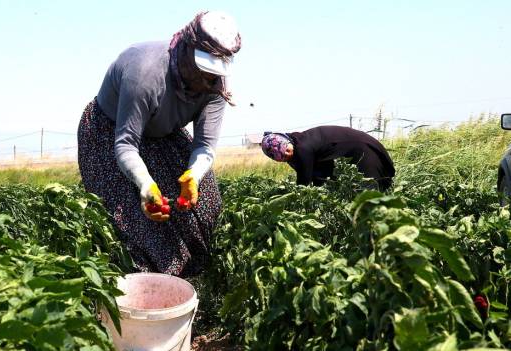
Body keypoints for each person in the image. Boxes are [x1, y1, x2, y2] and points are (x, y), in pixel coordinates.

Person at [77, 11, 241, 277]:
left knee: (207, 206)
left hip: (164, 135)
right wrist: (145, 184)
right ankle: (139, 295)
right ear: (187, 49)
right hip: (109, 132)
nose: (204, 81)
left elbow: (205, 145)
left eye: (211, 75)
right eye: (201, 71)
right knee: (137, 223)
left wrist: (194, 176)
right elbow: (126, 144)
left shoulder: (215, 86)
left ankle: (193, 282)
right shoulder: (145, 74)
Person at [261, 126, 396, 190]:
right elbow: (319, 177)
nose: (288, 155)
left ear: (287, 140)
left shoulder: (303, 148)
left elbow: (304, 184)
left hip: (363, 150)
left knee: (371, 196)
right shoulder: (298, 141)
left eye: (287, 150)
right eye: (284, 157)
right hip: (356, 150)